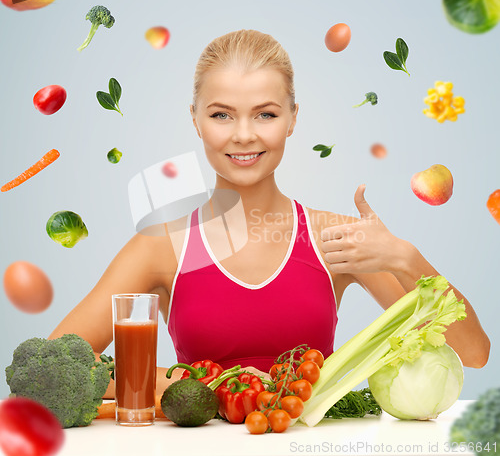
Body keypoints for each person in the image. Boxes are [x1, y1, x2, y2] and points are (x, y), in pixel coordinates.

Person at [49, 29, 490, 398]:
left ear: (293, 119)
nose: (244, 135)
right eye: (222, 115)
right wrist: (180, 382)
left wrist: (404, 257)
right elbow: (52, 367)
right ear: (196, 120)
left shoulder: (335, 237)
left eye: (265, 114)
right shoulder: (160, 246)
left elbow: (472, 353)